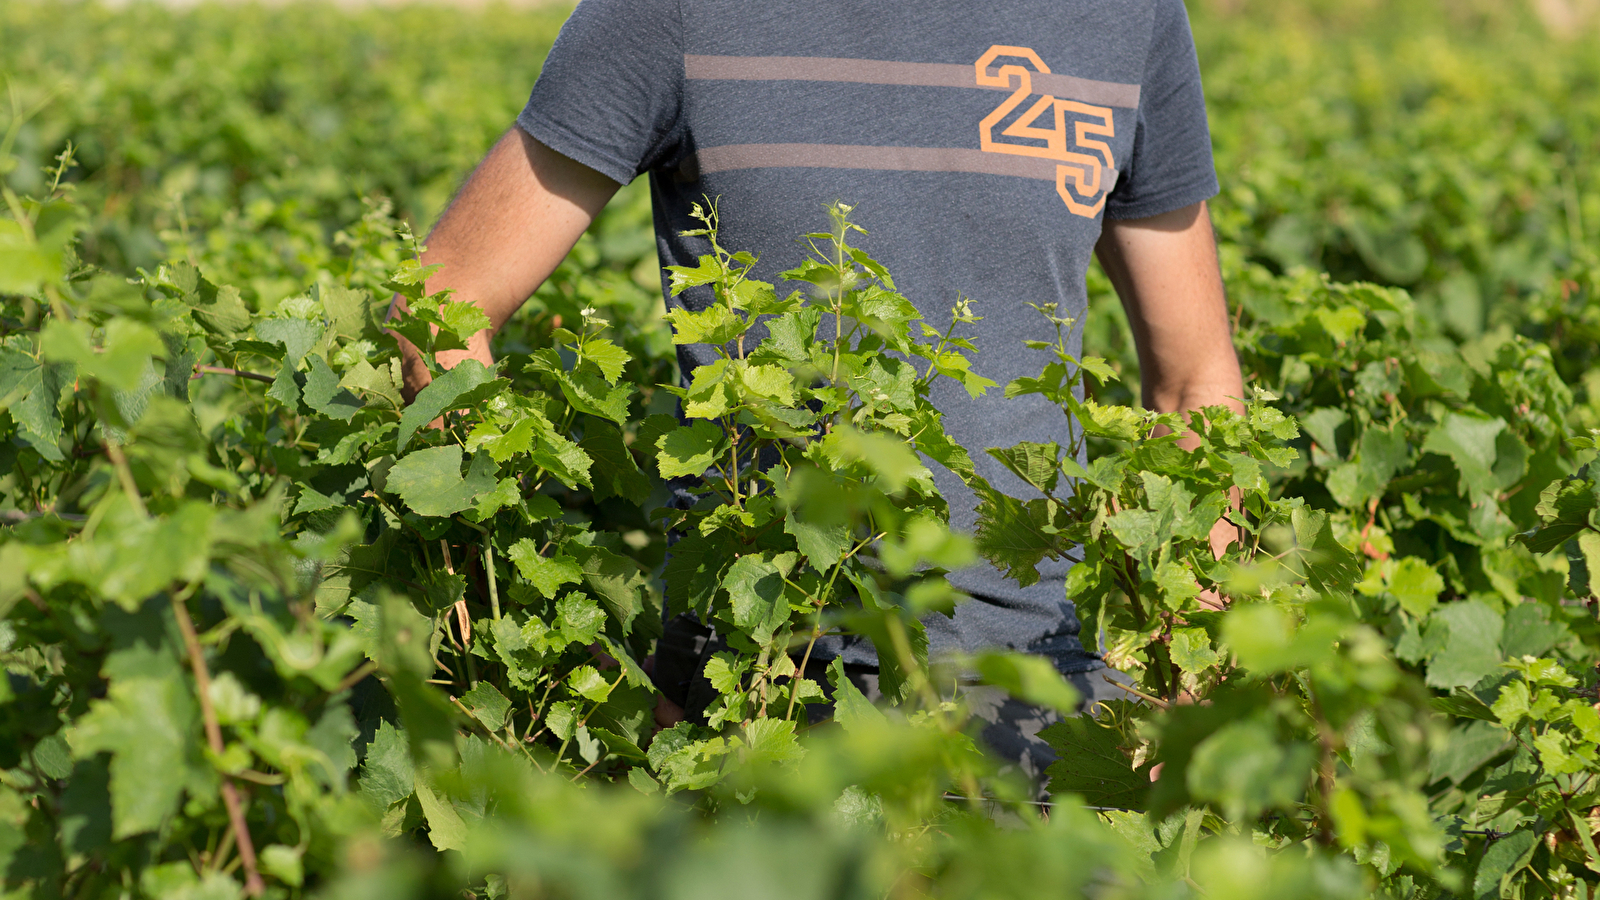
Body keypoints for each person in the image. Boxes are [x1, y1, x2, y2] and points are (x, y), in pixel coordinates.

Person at [393, 0, 1244, 789]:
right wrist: (513, 617)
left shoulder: (1128, 17)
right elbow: (442, 302)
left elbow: (1197, 383)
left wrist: (1189, 676)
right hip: (767, 693)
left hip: (1041, 695)